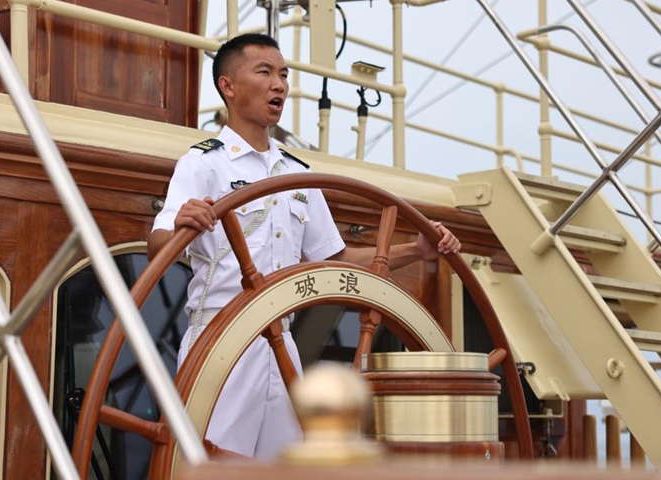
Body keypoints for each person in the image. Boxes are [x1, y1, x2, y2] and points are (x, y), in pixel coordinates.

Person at [147, 33, 461, 459]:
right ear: (228, 86)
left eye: (283, 75)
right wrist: (182, 221)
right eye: (265, 73)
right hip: (220, 342)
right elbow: (159, 245)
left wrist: (416, 250)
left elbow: (337, 261)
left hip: (283, 346)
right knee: (213, 464)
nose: (279, 85)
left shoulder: (297, 175)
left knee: (287, 466)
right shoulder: (203, 164)